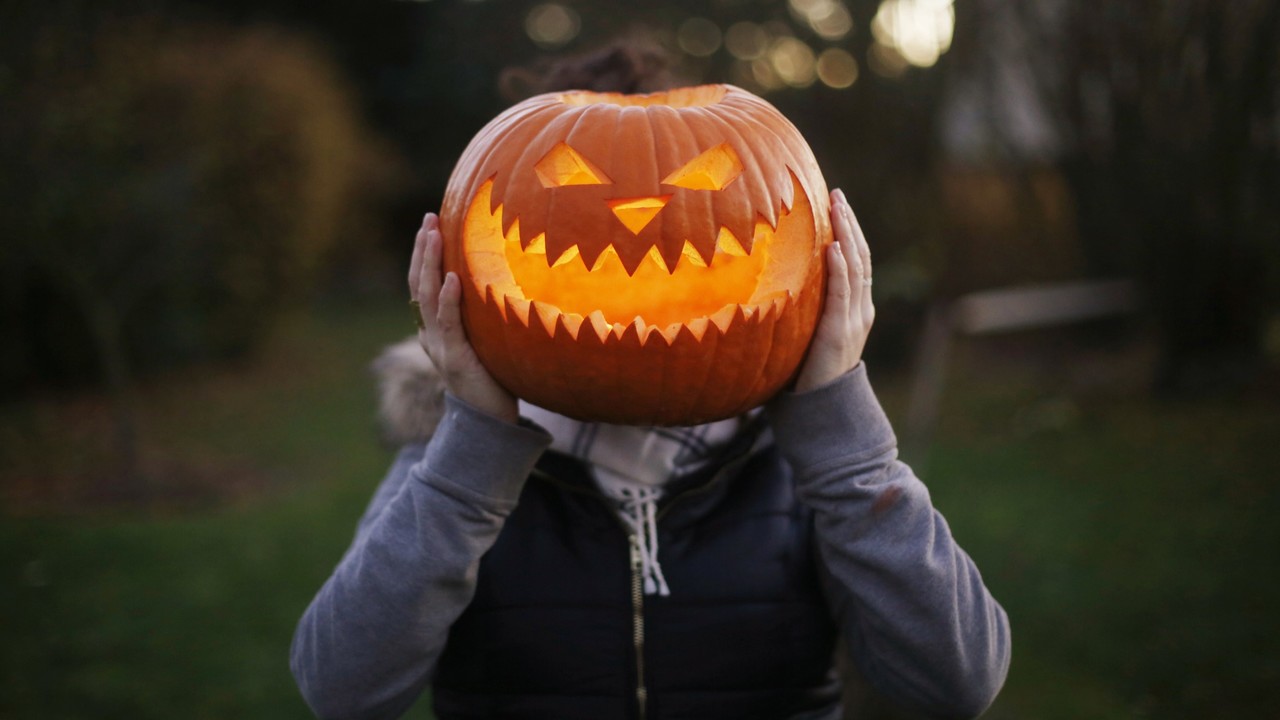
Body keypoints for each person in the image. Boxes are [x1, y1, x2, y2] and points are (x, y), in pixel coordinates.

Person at [291, 42, 1010, 720]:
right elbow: (341, 691)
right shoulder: (453, 468)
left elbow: (957, 684)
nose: (639, 213)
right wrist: (474, 444)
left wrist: (841, 433)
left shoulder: (809, 471)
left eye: (700, 176)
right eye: (570, 179)